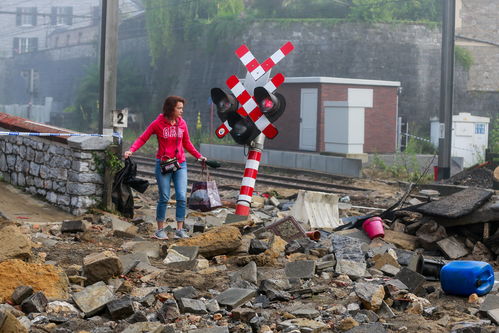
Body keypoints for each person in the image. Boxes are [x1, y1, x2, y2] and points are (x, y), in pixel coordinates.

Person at [124, 95, 206, 240]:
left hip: (180, 164)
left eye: (182, 108)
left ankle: (180, 230)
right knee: (164, 197)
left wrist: (199, 156)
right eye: (179, 108)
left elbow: (187, 143)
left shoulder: (182, 124)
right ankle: (160, 230)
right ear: (171, 108)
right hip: (163, 165)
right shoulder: (158, 123)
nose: (182, 111)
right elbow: (143, 137)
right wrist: (131, 150)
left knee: (181, 196)